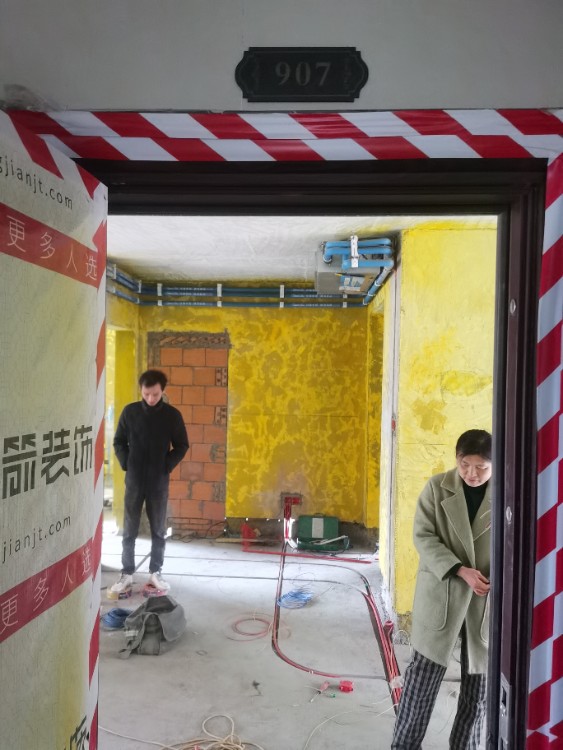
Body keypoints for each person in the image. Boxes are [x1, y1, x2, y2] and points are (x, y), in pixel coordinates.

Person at [391, 429, 492, 750]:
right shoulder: (437, 488)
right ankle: (404, 746)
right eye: (465, 465)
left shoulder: (507, 494)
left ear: (494, 465)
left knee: (478, 690)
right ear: (456, 459)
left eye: (481, 467)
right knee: (420, 683)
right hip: (442, 592)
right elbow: (423, 536)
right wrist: (460, 569)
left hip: (484, 601)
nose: (472, 473)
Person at [110, 369, 189, 594]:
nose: (151, 399)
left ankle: (156, 571)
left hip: (158, 481)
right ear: (141, 391)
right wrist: (127, 463)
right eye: (146, 394)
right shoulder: (130, 412)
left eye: (155, 394)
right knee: (129, 529)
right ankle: (127, 573)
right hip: (134, 479)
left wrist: (166, 465)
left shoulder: (172, 416)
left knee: (158, 530)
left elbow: (182, 445)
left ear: (162, 390)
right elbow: (118, 441)